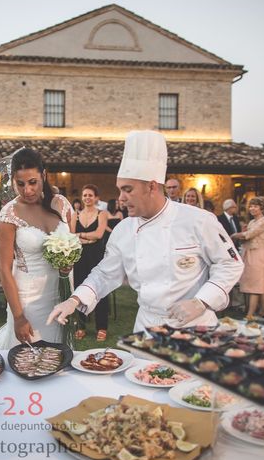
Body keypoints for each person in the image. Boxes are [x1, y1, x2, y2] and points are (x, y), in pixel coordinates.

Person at [48, 131, 243, 332]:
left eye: (127, 189)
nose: (120, 198)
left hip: (195, 326)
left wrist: (202, 301)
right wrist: (74, 300)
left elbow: (230, 264)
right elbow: (105, 274)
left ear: (151, 187)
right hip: (147, 326)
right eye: (120, 190)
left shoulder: (198, 220)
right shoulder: (123, 230)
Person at [0, 147, 72, 348]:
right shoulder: (9, 214)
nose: (27, 190)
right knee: (27, 362)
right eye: (20, 184)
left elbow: (72, 246)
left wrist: (69, 264)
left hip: (61, 294)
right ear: (13, 180)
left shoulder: (62, 205)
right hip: (27, 299)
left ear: (44, 175)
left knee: (59, 358)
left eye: (33, 182)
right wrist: (18, 316)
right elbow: (4, 269)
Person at [71, 184, 110, 341]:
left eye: (90, 195)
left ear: (96, 198)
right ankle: (81, 326)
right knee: (80, 288)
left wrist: (81, 236)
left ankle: (101, 327)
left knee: (99, 290)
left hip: (97, 256)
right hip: (80, 256)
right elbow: (72, 236)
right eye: (85, 195)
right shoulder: (76, 215)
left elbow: (100, 234)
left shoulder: (102, 213)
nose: (87, 198)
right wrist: (88, 237)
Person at [231, 197, 264, 320]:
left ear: (262, 208)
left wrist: (234, 235)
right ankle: (261, 311)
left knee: (256, 284)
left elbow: (249, 235)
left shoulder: (263, 221)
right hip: (249, 253)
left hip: (258, 254)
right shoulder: (253, 222)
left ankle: (250, 314)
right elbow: (247, 237)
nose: (252, 208)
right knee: (250, 283)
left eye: (255, 206)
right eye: (251, 206)